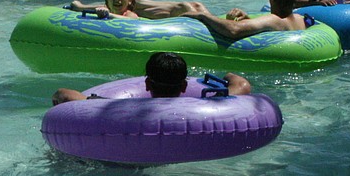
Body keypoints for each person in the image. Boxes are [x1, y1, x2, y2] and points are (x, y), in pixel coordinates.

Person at [52, 49, 251, 105]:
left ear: (147, 84)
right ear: (184, 86)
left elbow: (63, 95)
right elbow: (242, 85)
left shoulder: (124, 110)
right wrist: (228, 75)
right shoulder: (204, 106)